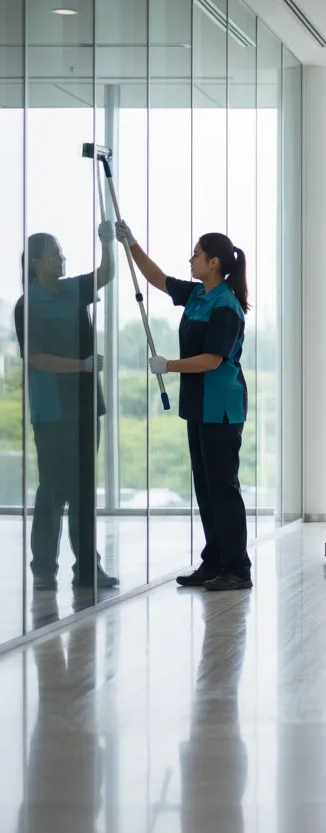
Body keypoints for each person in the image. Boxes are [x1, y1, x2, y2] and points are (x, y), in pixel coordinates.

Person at [114, 220, 252, 591]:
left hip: (221, 407)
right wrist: (132, 245)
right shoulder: (198, 296)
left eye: (196, 253)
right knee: (205, 488)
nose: (191, 259)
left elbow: (212, 360)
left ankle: (237, 568)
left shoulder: (226, 305)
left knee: (223, 487)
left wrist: (168, 365)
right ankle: (215, 562)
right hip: (198, 405)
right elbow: (158, 279)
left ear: (214, 263)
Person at [14, 226, 119, 592]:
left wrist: (107, 241)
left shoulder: (72, 290)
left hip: (86, 405)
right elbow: (37, 358)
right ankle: (44, 569)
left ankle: (88, 569)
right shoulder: (27, 305)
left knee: (83, 490)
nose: (62, 259)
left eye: (61, 253)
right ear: (37, 261)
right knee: (53, 490)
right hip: (53, 410)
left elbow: (106, 274)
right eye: (55, 253)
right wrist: (82, 365)